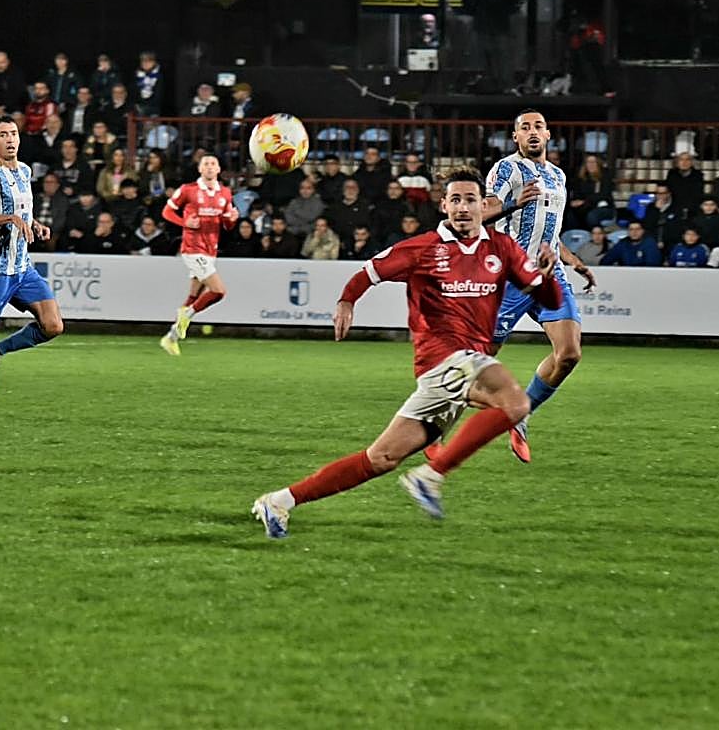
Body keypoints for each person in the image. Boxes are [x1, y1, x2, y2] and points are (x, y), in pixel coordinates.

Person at [251, 167, 563, 538]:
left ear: (484, 205)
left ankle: (280, 501)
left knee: (381, 458)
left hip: (459, 369)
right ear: (444, 204)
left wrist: (544, 279)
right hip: (440, 358)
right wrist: (347, 300)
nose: (463, 207)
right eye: (456, 200)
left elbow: (547, 298)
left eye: (470, 200)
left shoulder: (502, 248)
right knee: (515, 402)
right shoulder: (423, 247)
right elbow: (369, 272)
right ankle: (430, 476)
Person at [483, 109, 595, 463]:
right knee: (476, 361)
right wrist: (514, 203)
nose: (532, 132)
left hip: (549, 273)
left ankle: (522, 413)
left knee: (570, 354)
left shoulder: (558, 176)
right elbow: (481, 213)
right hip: (508, 276)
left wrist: (573, 260)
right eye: (524, 128)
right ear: (515, 137)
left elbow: (550, 229)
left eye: (538, 127)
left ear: (548, 135)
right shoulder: (506, 170)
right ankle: (432, 424)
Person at [0, 115, 63, 393]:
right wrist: (9, 219)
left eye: (14, 134)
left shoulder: (25, 171)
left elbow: (22, 213)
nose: (10, 140)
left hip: (21, 267)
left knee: (53, 325)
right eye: (3, 135)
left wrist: (34, 224)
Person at [158, 153, 238, 356]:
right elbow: (167, 212)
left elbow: (227, 224)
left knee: (193, 295)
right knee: (219, 291)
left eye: (213, 163)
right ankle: (188, 314)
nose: (210, 167)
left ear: (219, 169)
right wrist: (185, 223)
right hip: (193, 249)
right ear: (200, 169)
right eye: (206, 164)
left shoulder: (225, 193)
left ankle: (170, 338)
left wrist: (232, 219)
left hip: (211, 249)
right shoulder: (188, 190)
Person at [569, 154, 614, 228]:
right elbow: (577, 193)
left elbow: (603, 195)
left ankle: (594, 235)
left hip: (602, 206)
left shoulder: (605, 176)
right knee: (570, 214)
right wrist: (575, 201)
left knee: (592, 216)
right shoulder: (581, 178)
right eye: (588, 162)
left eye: (593, 162)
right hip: (584, 206)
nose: (591, 165)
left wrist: (584, 201)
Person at [664, 152, 705, 220]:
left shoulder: (698, 176)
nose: (684, 162)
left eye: (687, 159)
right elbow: (670, 192)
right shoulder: (672, 175)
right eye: (681, 159)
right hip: (675, 208)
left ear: (691, 163)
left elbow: (697, 195)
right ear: (677, 163)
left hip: (693, 210)